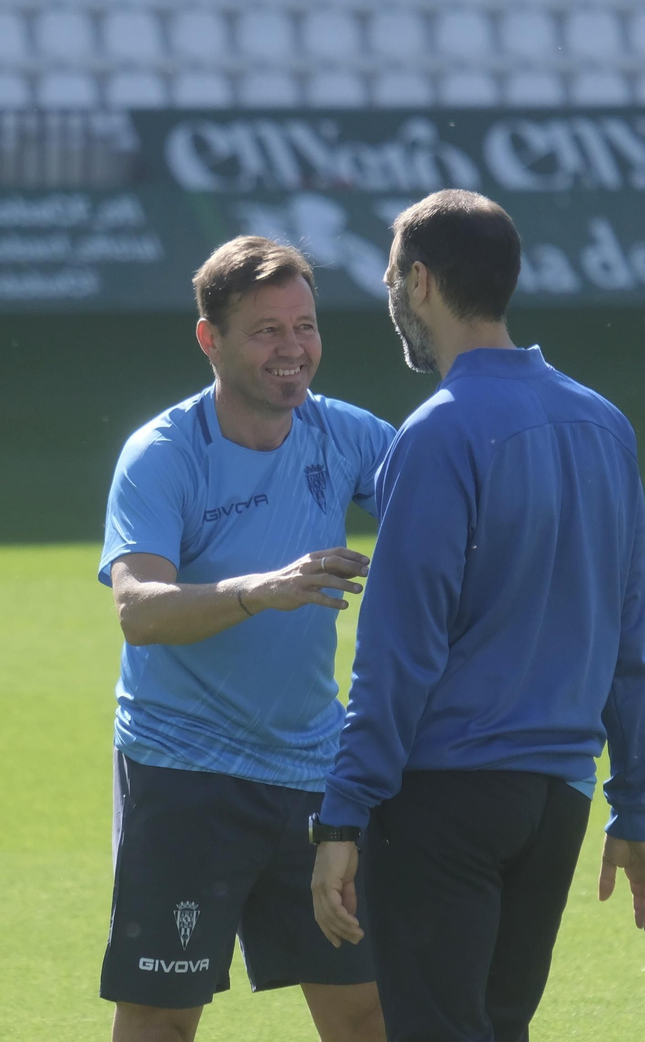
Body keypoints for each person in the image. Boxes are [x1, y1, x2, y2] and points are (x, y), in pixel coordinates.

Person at [308, 190, 645, 1042]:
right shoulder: (603, 425)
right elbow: (631, 639)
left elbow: (397, 654)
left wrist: (344, 813)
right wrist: (639, 806)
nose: (391, 295)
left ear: (422, 282)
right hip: (558, 805)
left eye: (393, 276)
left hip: (446, 797)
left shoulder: (437, 436)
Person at [97, 237, 393, 1042]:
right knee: (161, 1017)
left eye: (305, 325)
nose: (293, 349)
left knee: (365, 1006)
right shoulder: (162, 455)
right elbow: (140, 610)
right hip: (185, 773)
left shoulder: (343, 435)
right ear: (210, 339)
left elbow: (448, 496)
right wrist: (261, 591)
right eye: (266, 331)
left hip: (316, 772)